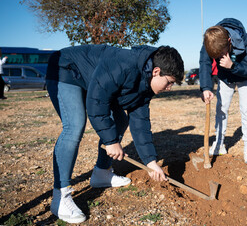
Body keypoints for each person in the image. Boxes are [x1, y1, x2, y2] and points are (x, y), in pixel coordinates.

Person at [46, 44, 184, 223]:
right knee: (75, 125)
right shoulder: (124, 64)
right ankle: (60, 196)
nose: (169, 88)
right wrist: (111, 141)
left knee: (121, 121)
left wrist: (150, 162)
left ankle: (101, 173)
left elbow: (140, 123)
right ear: (156, 71)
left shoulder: (146, 84)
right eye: (169, 82)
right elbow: (97, 100)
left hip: (91, 80)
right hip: (66, 70)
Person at [199, 18, 247, 165]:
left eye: (220, 55)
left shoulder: (245, 39)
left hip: (245, 76)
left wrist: (232, 66)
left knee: (246, 109)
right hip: (225, 77)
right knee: (221, 109)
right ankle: (219, 143)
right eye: (215, 57)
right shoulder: (209, 41)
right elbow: (204, 64)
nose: (217, 58)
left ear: (229, 41)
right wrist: (206, 88)